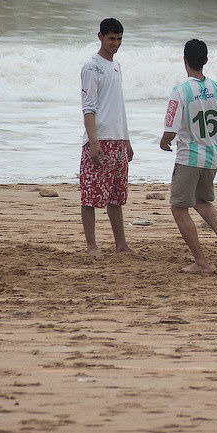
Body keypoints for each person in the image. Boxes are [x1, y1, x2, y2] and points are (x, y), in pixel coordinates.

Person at [160, 39, 217, 274]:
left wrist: (164, 142)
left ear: (185, 61)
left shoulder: (180, 91)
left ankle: (201, 261)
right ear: (205, 61)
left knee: (178, 207)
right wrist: (216, 132)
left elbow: (171, 130)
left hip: (188, 158)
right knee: (201, 200)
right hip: (212, 157)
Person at [80, 18, 134, 257]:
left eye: (119, 39)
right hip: (99, 139)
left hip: (118, 140)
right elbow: (88, 108)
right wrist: (93, 144)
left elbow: (118, 107)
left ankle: (120, 244)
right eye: (111, 38)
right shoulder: (92, 67)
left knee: (115, 195)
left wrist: (127, 140)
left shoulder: (116, 66)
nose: (116, 43)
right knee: (91, 194)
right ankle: (92, 245)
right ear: (100, 36)